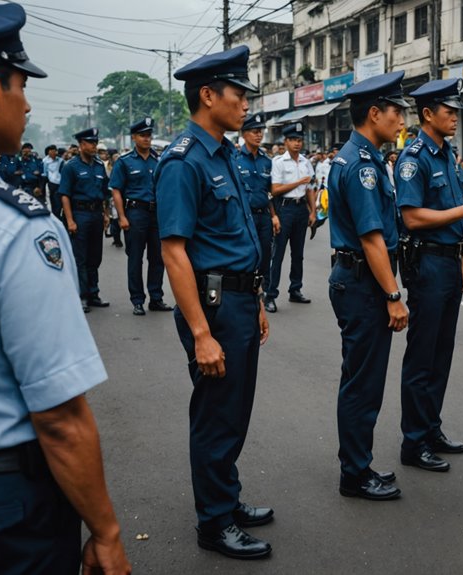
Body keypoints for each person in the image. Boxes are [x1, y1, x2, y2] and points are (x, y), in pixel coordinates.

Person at [0, 3, 131, 573]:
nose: (27, 103)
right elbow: (59, 418)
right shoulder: (13, 226)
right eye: (22, 85)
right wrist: (106, 531)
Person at [155, 45, 274, 559]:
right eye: (239, 94)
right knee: (215, 414)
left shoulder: (223, 152)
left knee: (234, 410)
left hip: (240, 300)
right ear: (209, 95)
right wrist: (201, 333)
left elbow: (239, 236)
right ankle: (214, 522)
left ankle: (226, 498)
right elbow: (174, 253)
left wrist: (260, 300)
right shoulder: (184, 161)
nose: (246, 104)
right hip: (215, 306)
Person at [394, 78, 463, 474]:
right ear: (427, 114)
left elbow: (451, 213)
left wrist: (462, 257)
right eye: (449, 111)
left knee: (442, 352)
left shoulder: (447, 155)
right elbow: (412, 216)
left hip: (447, 260)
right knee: (422, 355)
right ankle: (414, 441)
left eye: (457, 111)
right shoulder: (414, 158)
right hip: (425, 264)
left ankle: (431, 428)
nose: (455, 117)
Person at [327, 71, 410, 501]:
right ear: (374, 113)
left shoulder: (366, 157)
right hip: (363, 283)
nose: (401, 120)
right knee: (363, 382)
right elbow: (371, 238)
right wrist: (393, 295)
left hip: (357, 279)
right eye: (397, 111)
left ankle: (356, 464)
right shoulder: (361, 164)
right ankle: (355, 474)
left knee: (359, 378)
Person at [109, 117, 172, 315]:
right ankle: (137, 300)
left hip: (156, 214)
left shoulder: (158, 160)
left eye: (149, 135)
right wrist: (121, 217)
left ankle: (156, 297)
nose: (147, 139)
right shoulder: (125, 162)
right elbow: (116, 190)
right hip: (135, 212)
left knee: (157, 258)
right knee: (135, 258)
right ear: (134, 137)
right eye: (142, 136)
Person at [59, 127, 109, 313]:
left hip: (96, 214)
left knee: (95, 256)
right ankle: (82, 295)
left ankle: (94, 293)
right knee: (80, 257)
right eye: (90, 143)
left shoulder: (98, 166)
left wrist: (105, 214)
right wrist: (70, 220)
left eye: (95, 142)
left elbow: (104, 193)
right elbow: (64, 195)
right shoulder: (71, 166)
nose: (94, 146)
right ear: (81, 145)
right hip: (79, 214)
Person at [267, 122, 315, 312]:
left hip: (300, 208)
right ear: (285, 142)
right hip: (284, 208)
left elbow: (310, 188)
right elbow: (275, 189)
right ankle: (270, 295)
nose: (297, 143)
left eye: (299, 140)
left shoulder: (305, 162)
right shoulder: (278, 162)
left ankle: (295, 289)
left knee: (298, 254)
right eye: (293, 140)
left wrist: (312, 211)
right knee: (277, 254)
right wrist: (298, 182)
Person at [235, 114, 280, 310]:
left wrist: (274, 215)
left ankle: (267, 296)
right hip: (244, 216)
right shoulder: (234, 159)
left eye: (261, 131)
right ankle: (244, 294)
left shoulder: (266, 161)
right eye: (255, 131)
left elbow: (269, 192)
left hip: (264, 215)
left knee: (265, 255)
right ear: (244, 134)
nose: (259, 134)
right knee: (246, 255)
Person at [42, 144, 63, 215]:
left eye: (55, 150)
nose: (54, 152)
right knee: (53, 200)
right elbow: (45, 173)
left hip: (60, 183)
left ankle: (57, 214)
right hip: (51, 183)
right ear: (49, 152)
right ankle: (55, 214)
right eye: (52, 151)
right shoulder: (45, 161)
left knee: (58, 201)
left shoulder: (60, 160)